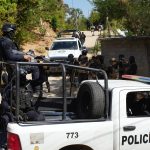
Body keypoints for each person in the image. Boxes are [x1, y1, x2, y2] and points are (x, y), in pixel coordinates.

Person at [0, 23, 46, 92]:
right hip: (14, 66)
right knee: (36, 67)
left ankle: (29, 86)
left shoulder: (4, 40)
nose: (14, 33)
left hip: (12, 65)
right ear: (9, 32)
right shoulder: (7, 42)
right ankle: (36, 90)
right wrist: (23, 56)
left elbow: (14, 52)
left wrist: (25, 53)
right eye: (13, 32)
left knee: (35, 65)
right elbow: (10, 56)